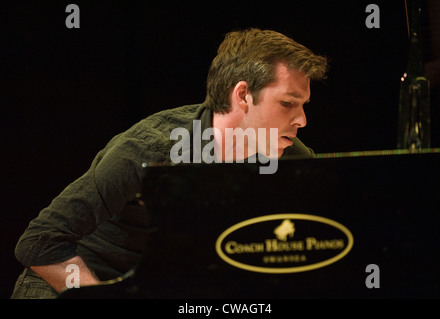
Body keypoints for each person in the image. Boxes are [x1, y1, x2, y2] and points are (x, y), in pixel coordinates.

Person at [11, 27, 328, 299]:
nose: (301, 119)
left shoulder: (294, 158)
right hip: (73, 282)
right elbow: (40, 242)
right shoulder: (150, 149)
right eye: (288, 103)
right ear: (242, 95)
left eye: (303, 105)